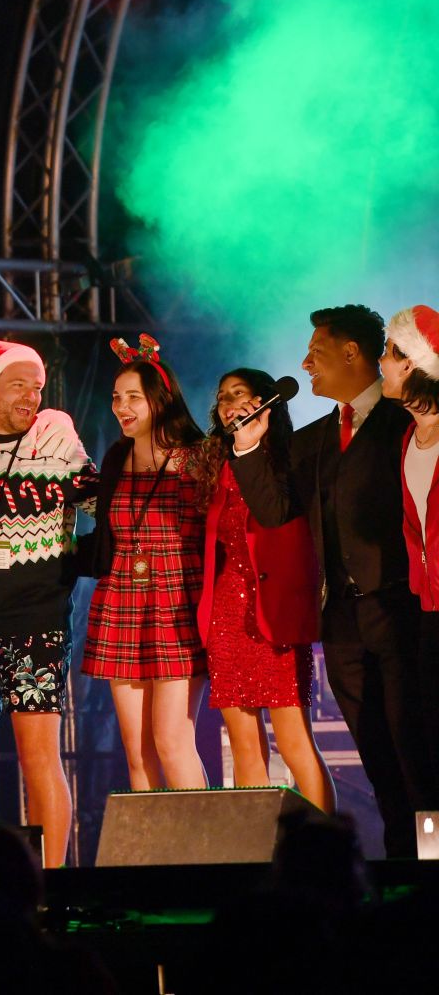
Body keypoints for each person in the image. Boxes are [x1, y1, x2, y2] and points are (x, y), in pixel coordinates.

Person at [229, 305, 434, 856]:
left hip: (402, 611)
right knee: (379, 763)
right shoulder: (316, 438)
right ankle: (400, 869)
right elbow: (275, 510)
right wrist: (248, 445)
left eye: (315, 352)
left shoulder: (406, 421)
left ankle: (430, 871)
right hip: (343, 621)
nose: (305, 363)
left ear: (351, 353)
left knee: (417, 757)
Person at [0, 340, 96, 866]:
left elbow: (109, 505)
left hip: (38, 622)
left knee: (39, 758)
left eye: (37, 386)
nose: (31, 395)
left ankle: (52, 884)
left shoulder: (58, 440)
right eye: (18, 385)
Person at [191, 369, 333, 811]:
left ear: (264, 402)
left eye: (240, 394)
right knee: (244, 746)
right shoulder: (215, 462)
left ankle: (324, 842)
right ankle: (256, 845)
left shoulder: (290, 457)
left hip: (274, 610)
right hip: (227, 614)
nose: (229, 404)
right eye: (222, 397)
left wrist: (250, 445)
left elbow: (276, 515)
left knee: (294, 741)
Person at [81, 335, 209, 791]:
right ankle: (155, 840)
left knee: (172, 741)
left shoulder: (197, 456)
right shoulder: (117, 456)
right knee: (137, 752)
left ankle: (204, 839)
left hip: (177, 601)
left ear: (161, 399)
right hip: (122, 599)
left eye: (133, 397)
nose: (122, 407)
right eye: (117, 397)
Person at [379, 304, 439, 790]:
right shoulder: (409, 437)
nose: (380, 362)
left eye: (387, 352)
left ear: (411, 363)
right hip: (427, 605)